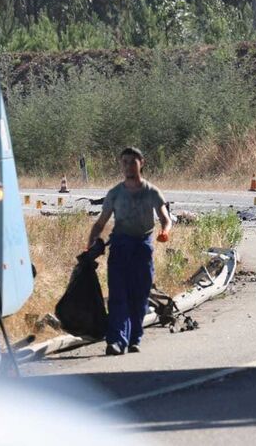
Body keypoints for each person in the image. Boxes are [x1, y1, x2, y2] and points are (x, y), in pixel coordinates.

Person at [87, 147, 171, 356]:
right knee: (118, 296)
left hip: (142, 248)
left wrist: (165, 232)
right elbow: (100, 224)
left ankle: (134, 339)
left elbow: (165, 218)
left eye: (132, 162)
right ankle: (116, 341)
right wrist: (89, 246)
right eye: (124, 162)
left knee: (139, 296)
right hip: (120, 247)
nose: (128, 166)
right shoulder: (115, 194)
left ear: (141, 163)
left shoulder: (151, 192)